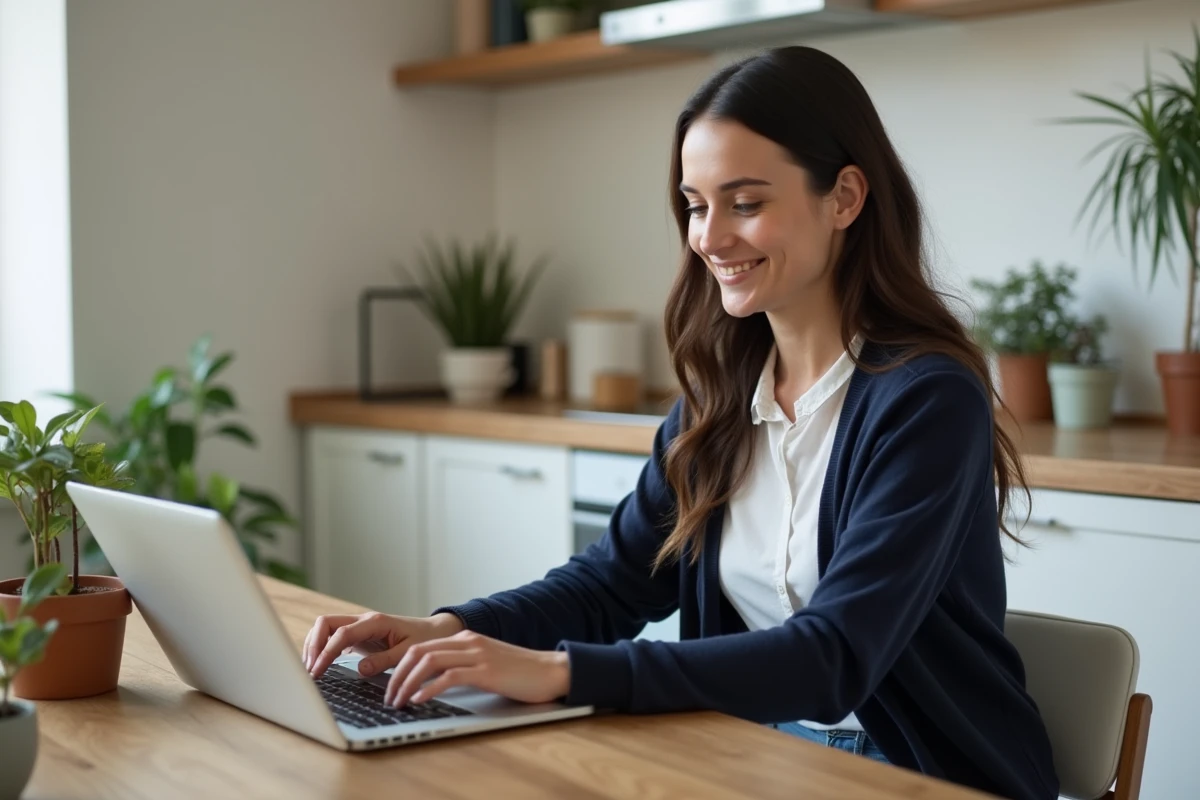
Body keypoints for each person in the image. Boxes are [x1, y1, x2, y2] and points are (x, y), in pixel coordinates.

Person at [304, 46, 1059, 800]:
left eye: (746, 202)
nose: (709, 237)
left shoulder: (926, 399)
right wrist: (449, 628)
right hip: (753, 757)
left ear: (845, 198)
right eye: (696, 205)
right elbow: (609, 586)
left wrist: (560, 673)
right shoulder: (721, 401)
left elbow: (833, 659)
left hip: (920, 773)